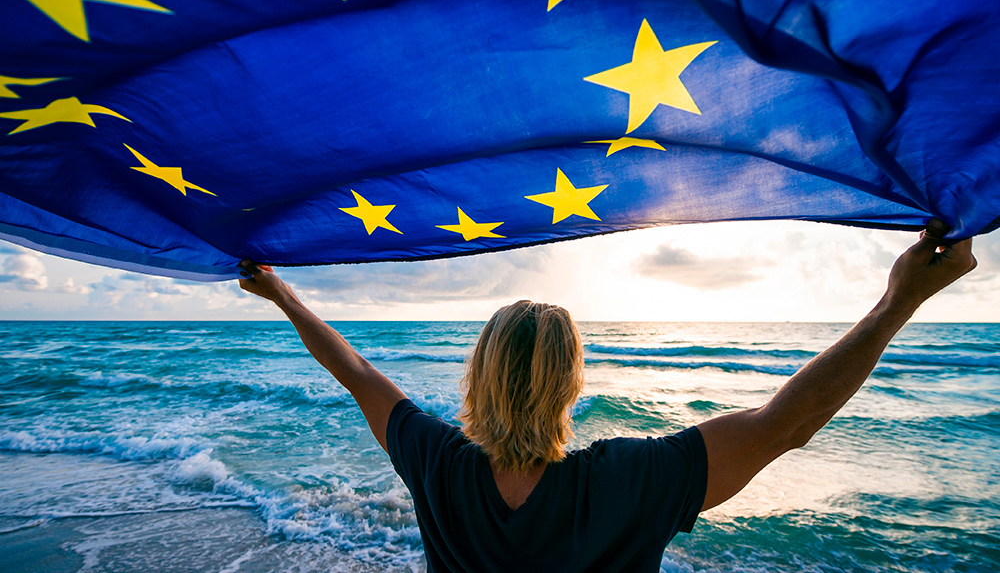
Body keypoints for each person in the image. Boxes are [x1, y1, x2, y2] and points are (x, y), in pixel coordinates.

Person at [237, 221, 976, 572]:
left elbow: (358, 371)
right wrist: (897, 303)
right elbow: (786, 423)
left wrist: (284, 295)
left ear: (477, 376)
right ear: (571, 385)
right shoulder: (630, 479)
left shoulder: (436, 461)